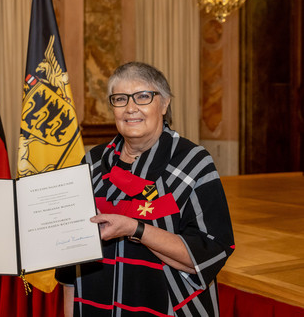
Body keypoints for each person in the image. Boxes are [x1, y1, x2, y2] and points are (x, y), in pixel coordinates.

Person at [56, 62, 234, 316]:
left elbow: (211, 251)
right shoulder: (93, 162)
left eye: (142, 97)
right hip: (94, 304)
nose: (130, 108)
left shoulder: (193, 162)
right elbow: (70, 254)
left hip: (168, 307)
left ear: (164, 104)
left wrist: (136, 229)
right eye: (120, 99)